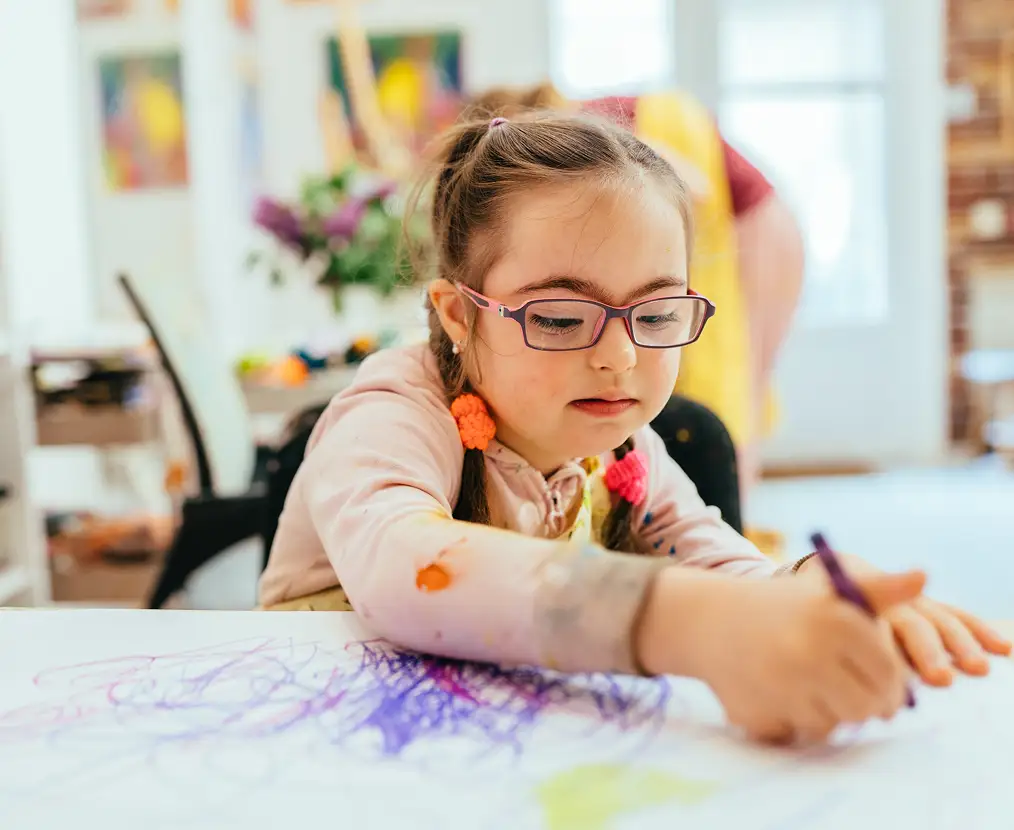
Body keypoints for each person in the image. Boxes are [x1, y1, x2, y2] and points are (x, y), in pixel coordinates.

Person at [259, 112, 1010, 745]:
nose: (619, 357)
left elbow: (723, 567)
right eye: (558, 317)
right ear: (459, 315)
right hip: (322, 736)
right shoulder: (393, 409)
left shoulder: (626, 446)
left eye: (655, 315)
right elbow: (407, 565)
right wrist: (679, 621)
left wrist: (816, 592)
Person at [467, 83, 805, 498]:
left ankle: (740, 514)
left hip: (758, 229)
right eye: (559, 319)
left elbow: (693, 184)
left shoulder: (579, 134)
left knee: (743, 391)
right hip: (761, 223)